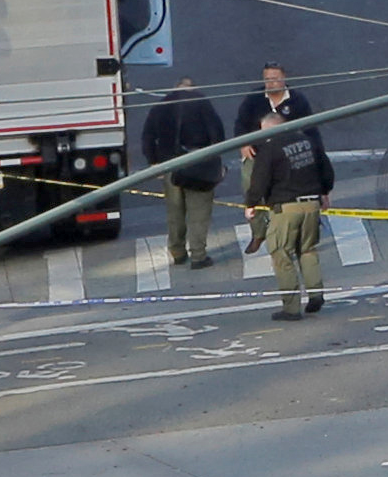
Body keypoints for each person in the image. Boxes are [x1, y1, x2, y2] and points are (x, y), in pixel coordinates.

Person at [245, 112, 335, 321]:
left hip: (285, 207)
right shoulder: (308, 141)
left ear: (267, 129)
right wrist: (324, 192)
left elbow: (259, 181)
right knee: (307, 249)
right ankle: (315, 293)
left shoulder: (269, 149)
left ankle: (291, 307)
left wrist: (251, 204)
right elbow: (326, 169)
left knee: (281, 253)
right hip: (312, 203)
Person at [232, 62, 327, 254]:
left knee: (286, 194)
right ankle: (258, 233)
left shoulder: (298, 101)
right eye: (267, 79)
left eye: (275, 79)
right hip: (258, 154)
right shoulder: (253, 100)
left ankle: (293, 235)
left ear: (284, 79)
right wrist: (244, 144)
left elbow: (311, 131)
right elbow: (240, 125)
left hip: (288, 157)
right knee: (251, 188)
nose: (271, 83)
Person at [140, 78, 226, 270]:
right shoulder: (202, 102)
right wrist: (215, 161)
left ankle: (177, 251)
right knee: (199, 212)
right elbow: (217, 134)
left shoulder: (161, 106)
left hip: (170, 165)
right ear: (194, 88)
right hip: (199, 163)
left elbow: (147, 136)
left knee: (175, 212)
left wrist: (154, 162)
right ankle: (198, 255)